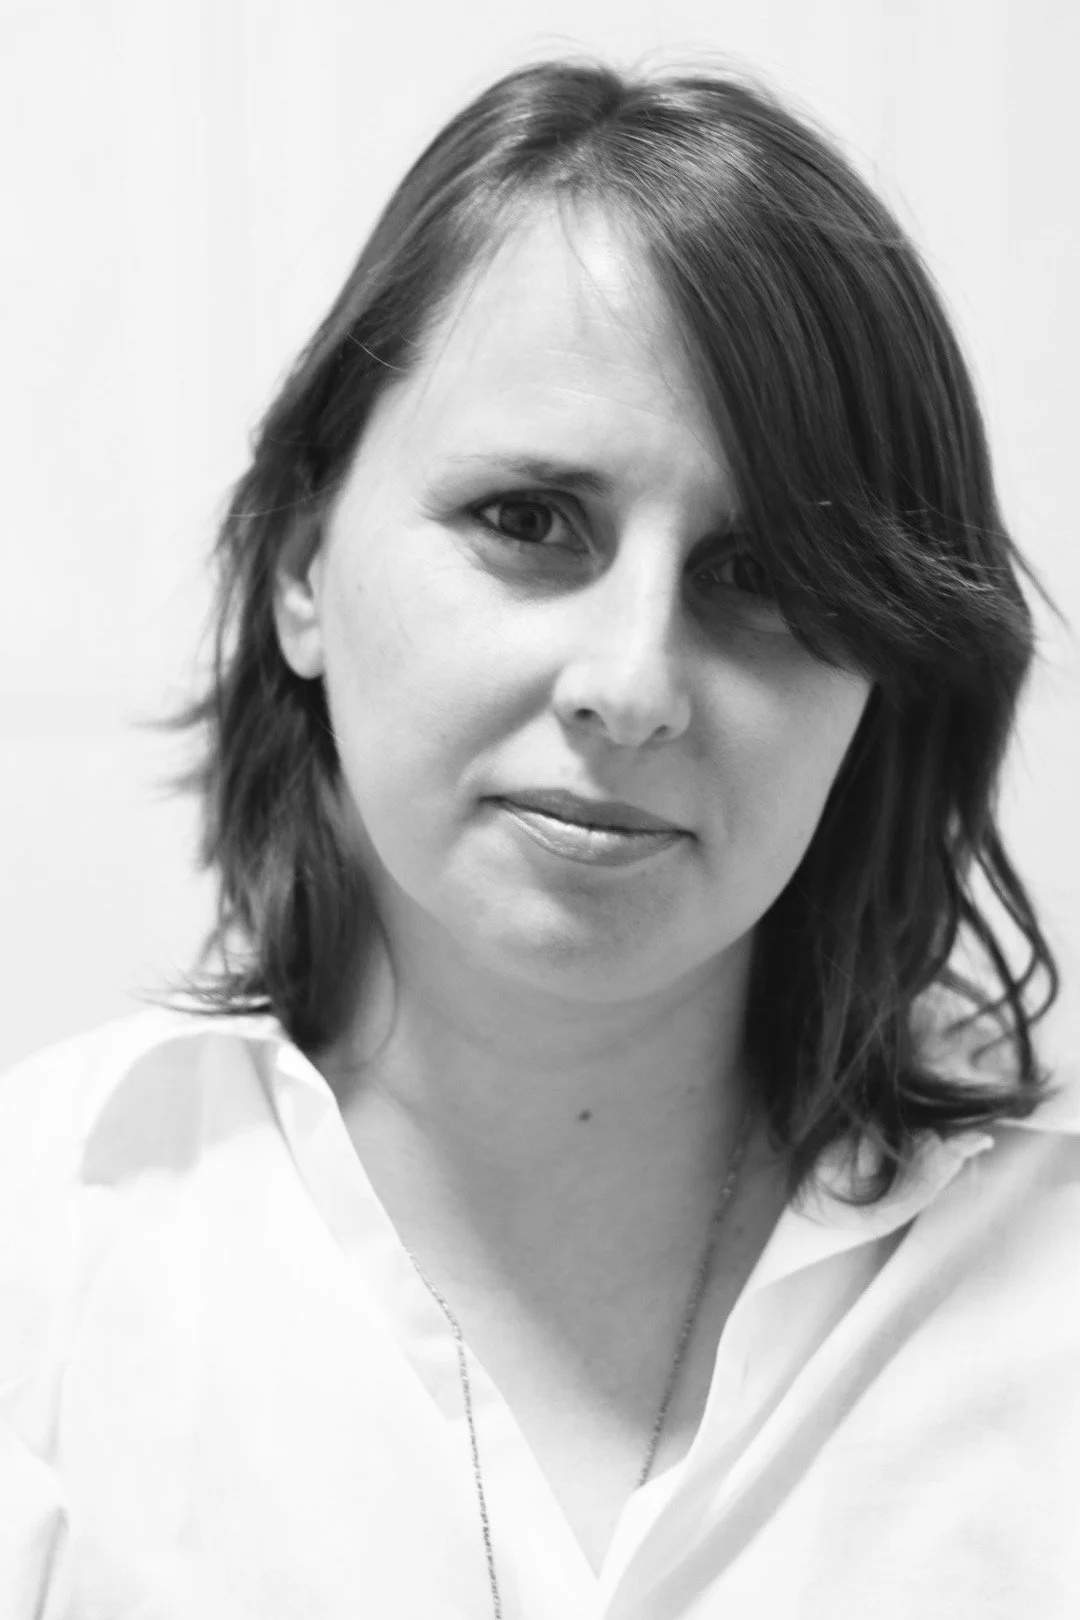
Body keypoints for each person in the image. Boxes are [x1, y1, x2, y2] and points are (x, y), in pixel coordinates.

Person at [1, 52, 1076, 1620]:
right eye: (527, 520)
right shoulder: (41, 1250)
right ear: (302, 566)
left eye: (763, 576)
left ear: (883, 675)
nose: (631, 685)